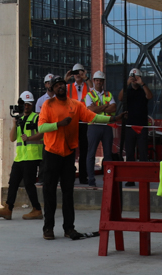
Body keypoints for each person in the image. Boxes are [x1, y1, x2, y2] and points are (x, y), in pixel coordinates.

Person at [36, 71, 113, 241]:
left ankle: (69, 228)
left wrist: (112, 119)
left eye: (62, 84)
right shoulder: (48, 105)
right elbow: (41, 128)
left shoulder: (76, 105)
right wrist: (58, 124)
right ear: (53, 89)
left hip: (68, 154)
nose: (60, 87)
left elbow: (92, 117)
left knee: (68, 193)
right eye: (56, 86)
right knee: (49, 193)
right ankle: (48, 228)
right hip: (51, 154)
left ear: (65, 86)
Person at [0, 91, 44, 220]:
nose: (26, 106)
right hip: (20, 157)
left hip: (32, 156)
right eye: (24, 104)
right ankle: (8, 209)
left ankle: (37, 209)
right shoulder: (19, 119)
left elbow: (43, 134)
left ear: (32, 105)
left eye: (28, 104)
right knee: (13, 182)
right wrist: (15, 124)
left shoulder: (37, 118)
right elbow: (12, 138)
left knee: (28, 183)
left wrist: (29, 138)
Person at [84, 72, 116, 188]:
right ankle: (91, 179)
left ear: (103, 82)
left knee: (108, 154)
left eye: (101, 80)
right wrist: (105, 106)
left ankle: (108, 179)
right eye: (97, 80)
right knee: (91, 154)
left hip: (106, 126)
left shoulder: (108, 94)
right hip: (93, 125)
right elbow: (90, 110)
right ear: (94, 81)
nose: (99, 82)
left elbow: (114, 107)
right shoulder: (89, 95)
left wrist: (98, 108)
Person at [120, 68, 152, 167]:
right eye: (132, 78)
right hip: (129, 125)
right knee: (129, 153)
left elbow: (150, 96)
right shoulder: (127, 91)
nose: (134, 80)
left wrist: (142, 83)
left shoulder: (143, 91)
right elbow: (120, 98)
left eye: (136, 77)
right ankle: (130, 179)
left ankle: (142, 176)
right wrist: (127, 84)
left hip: (142, 125)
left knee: (143, 152)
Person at [68, 64, 93, 186]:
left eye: (80, 72)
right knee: (70, 151)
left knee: (84, 151)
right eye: (75, 72)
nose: (77, 74)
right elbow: (57, 94)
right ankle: (69, 176)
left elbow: (94, 92)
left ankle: (83, 177)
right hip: (72, 123)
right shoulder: (68, 87)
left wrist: (86, 78)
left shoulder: (87, 87)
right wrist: (65, 79)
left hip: (84, 122)